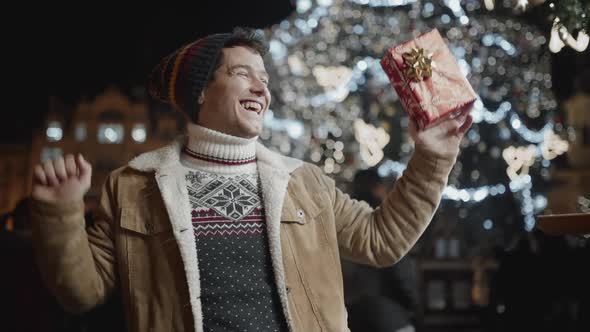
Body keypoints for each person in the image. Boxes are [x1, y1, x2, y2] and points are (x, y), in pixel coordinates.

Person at [30, 27, 472, 332]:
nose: (262, 89)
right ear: (200, 92)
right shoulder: (132, 186)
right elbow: (81, 294)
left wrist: (433, 156)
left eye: (265, 78)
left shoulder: (306, 182)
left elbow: (383, 241)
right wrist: (58, 213)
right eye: (242, 74)